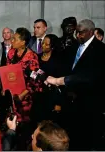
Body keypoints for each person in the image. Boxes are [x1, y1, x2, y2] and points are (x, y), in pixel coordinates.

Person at [45, 19, 105, 150]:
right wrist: (54, 80)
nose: (77, 35)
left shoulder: (101, 50)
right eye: (77, 32)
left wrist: (60, 80)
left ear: (90, 32)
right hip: (70, 101)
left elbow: (89, 77)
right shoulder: (74, 46)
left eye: (81, 33)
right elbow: (67, 69)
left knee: (87, 141)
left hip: (89, 104)